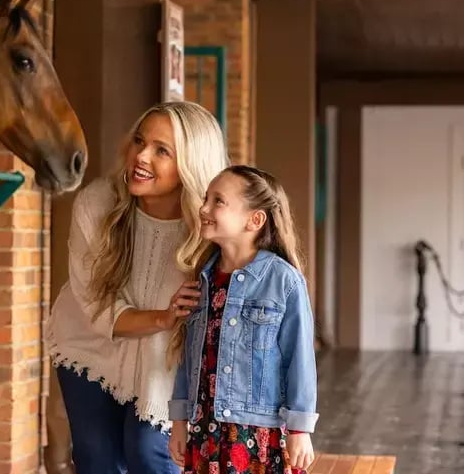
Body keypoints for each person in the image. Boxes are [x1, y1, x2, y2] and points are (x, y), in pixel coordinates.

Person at [45, 101, 229, 473]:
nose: (141, 156)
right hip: (90, 344)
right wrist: (163, 317)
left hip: (163, 357)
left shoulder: (209, 229)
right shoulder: (97, 205)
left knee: (150, 453)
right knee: (99, 462)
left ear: (190, 164)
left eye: (162, 151)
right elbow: (97, 307)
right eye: (139, 142)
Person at [168, 165, 318, 474]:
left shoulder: (284, 281)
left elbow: (299, 359)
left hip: (257, 434)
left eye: (218, 201)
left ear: (255, 219)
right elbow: (189, 356)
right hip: (205, 429)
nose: (203, 208)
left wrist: (300, 429)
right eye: (206, 198)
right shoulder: (203, 278)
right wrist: (180, 420)